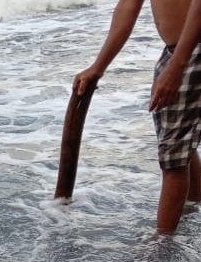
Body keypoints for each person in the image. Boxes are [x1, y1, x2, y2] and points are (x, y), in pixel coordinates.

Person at [73, 0, 201, 234]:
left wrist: (178, 63)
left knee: (174, 155)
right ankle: (192, 211)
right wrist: (98, 67)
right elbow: (128, 6)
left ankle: (163, 246)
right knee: (181, 142)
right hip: (179, 51)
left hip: (189, 52)